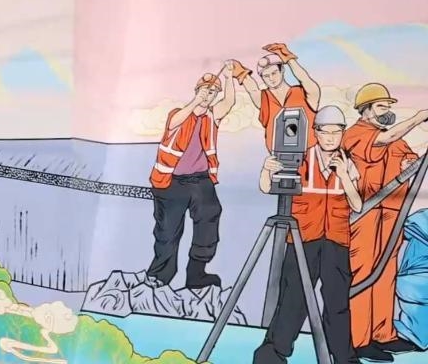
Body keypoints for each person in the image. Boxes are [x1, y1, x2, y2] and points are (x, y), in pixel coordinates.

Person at [253, 106, 362, 364]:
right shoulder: (300, 159)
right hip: (303, 240)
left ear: (343, 133)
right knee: (293, 298)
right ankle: (273, 354)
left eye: (336, 132)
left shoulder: (348, 164)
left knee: (337, 302)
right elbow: (267, 188)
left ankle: (344, 358)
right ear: (315, 132)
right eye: (325, 132)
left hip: (336, 241)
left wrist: (344, 176)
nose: (331, 138)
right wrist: (266, 170)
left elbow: (357, 205)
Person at [344, 83, 428, 362]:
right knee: (364, 272)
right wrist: (419, 117)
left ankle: (383, 334)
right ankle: (358, 340)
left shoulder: (395, 140)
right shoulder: (355, 134)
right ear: (365, 110)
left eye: (389, 106)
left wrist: (409, 162)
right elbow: (381, 142)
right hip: (365, 215)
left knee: (386, 273)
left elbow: (410, 158)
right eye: (381, 106)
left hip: (391, 215)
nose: (387, 111)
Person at [146, 63, 236, 289]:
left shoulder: (211, 117)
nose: (208, 95)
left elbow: (229, 102)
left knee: (209, 220)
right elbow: (174, 123)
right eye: (205, 90)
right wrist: (196, 102)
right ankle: (159, 276)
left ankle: (197, 274)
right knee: (167, 231)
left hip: (200, 180)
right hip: (171, 182)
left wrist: (229, 77)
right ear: (196, 91)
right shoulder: (179, 114)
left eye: (213, 92)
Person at [235, 43, 320, 153]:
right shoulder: (265, 99)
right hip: (279, 158)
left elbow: (305, 79)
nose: (271, 78)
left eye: (274, 73)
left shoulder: (303, 94)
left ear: (282, 70)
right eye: (266, 76)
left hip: (310, 156)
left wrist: (288, 58)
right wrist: (238, 71)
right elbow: (252, 89)